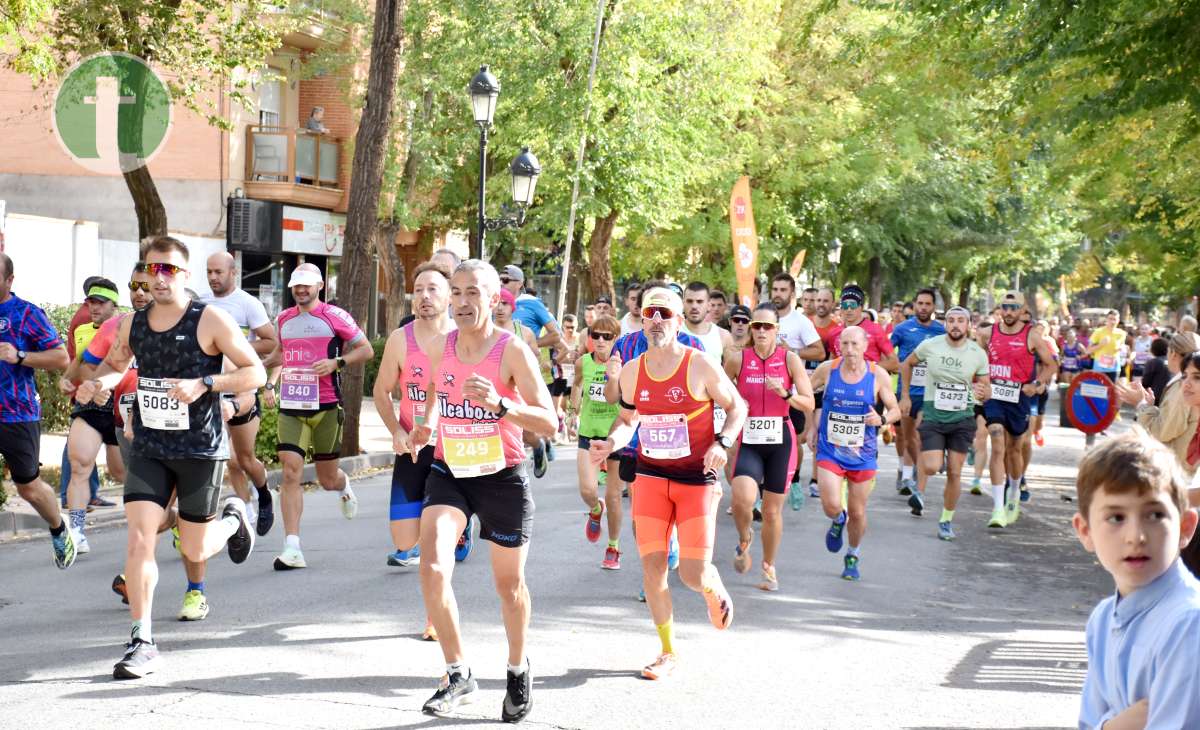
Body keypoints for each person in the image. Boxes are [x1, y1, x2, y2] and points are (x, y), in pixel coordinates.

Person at [75, 236, 264, 678]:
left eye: (168, 270)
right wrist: (100, 383)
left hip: (200, 448)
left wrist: (206, 384)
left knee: (195, 545)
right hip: (150, 446)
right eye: (151, 268)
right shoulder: (132, 324)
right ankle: (142, 641)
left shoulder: (210, 319)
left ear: (185, 275)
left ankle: (235, 519)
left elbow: (253, 370)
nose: (158, 278)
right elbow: (117, 364)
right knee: (140, 537)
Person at [403, 260, 556, 722]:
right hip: (450, 471)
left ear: (494, 300)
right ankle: (457, 673)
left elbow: (550, 420)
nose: (464, 301)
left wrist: (501, 404)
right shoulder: (443, 344)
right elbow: (434, 390)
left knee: (509, 588)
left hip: (501, 476)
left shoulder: (511, 351)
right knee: (431, 564)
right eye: (458, 292)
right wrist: (426, 425)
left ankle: (516, 667)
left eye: (475, 293)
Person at [589, 286, 746, 681]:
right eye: (649, 314)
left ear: (678, 321)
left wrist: (723, 443)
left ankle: (710, 584)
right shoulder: (631, 370)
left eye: (664, 314)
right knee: (653, 569)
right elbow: (628, 422)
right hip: (652, 476)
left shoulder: (699, 364)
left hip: (696, 477)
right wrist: (611, 442)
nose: (656, 320)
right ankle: (667, 651)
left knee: (691, 574)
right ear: (642, 321)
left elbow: (736, 407)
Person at [1073, 429, 1200, 729]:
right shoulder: (1102, 620)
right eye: (1116, 518)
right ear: (1085, 531)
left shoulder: (1188, 624)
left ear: (1186, 526)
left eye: (1155, 515)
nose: (1136, 537)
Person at [264, 263, 373, 571]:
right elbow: (280, 354)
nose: (301, 290)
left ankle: (343, 485)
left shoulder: (334, 316)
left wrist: (337, 362)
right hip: (293, 405)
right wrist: (256, 367)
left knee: (327, 479)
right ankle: (292, 547)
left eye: (307, 285)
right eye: (297, 285)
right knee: (290, 471)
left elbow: (365, 350)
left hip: (326, 406)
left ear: (320, 286)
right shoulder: (284, 318)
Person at [725, 303, 814, 590]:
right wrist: (737, 404)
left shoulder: (790, 360)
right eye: (757, 326)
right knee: (742, 499)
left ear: (777, 330)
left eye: (767, 326)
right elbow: (720, 394)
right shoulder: (738, 359)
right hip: (749, 440)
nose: (761, 331)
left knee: (773, 512)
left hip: (781, 442)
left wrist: (786, 394)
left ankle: (768, 567)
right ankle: (743, 537)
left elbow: (809, 402)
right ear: (751, 329)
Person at [0, 253, 75, 567]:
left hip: (16, 414)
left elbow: (61, 359)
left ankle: (58, 528)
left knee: (28, 486)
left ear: (9, 280)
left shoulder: (26, 314)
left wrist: (18, 355)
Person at [808, 326, 901, 581]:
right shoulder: (828, 370)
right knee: (830, 504)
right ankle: (838, 519)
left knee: (858, 512)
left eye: (854, 345)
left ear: (865, 346)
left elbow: (896, 410)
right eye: (844, 344)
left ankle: (853, 554)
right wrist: (812, 427)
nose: (849, 350)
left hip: (863, 454)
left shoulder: (877, 374)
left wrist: (880, 418)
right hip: (831, 450)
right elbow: (806, 394)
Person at [203, 252, 277, 536]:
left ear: (233, 272)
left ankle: (264, 493)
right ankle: (245, 512)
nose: (213, 277)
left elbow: (271, 342)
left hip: (244, 389)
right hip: (213, 390)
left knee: (244, 458)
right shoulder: (201, 304)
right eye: (209, 272)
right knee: (228, 458)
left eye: (219, 272)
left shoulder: (248, 303)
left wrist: (237, 348)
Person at [899, 307, 990, 538]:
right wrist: (906, 395)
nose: (955, 325)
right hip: (934, 414)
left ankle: (946, 520)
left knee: (955, 473)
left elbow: (985, 389)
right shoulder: (931, 345)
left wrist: (983, 392)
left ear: (968, 325)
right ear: (945, 324)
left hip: (962, 417)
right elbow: (907, 364)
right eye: (951, 320)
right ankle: (933, 465)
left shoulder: (978, 353)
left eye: (961, 320)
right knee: (931, 466)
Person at [977, 291, 1057, 528]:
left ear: (1023, 311)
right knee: (998, 443)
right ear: (999, 309)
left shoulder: (1031, 336)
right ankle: (997, 508)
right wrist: (977, 384)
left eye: (1014, 308)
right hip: (994, 397)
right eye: (1005, 307)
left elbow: (1051, 364)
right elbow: (977, 363)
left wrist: (1038, 384)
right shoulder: (987, 334)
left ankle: (1013, 495)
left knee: (1014, 450)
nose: (1009, 312)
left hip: (1019, 398)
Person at [58, 278, 124, 551]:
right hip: (90, 406)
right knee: (80, 465)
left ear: (114, 305)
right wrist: (66, 379)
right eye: (91, 303)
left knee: (124, 474)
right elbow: (80, 362)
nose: (94, 308)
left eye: (101, 303)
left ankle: (170, 518)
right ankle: (76, 531)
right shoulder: (83, 329)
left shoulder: (127, 327)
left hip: (121, 407)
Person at [570, 314, 624, 568]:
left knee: (614, 496)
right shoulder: (583, 362)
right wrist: (573, 409)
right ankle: (594, 509)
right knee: (588, 490)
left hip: (615, 436)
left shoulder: (625, 365)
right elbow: (577, 383)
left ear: (616, 338)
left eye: (607, 336)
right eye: (595, 335)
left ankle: (613, 547)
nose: (600, 341)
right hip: (589, 433)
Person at [501, 264, 561, 476]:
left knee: (526, 434)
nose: (503, 283)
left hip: (523, 380)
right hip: (497, 380)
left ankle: (538, 446)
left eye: (507, 280)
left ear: (520, 284)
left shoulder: (531, 304)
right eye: (500, 279)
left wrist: (527, 348)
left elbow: (556, 335)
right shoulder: (489, 309)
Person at [889, 289, 945, 498]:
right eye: (920, 303)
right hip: (906, 391)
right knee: (906, 435)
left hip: (929, 393)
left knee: (919, 436)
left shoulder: (941, 331)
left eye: (927, 304)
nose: (923, 307)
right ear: (914, 305)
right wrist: (894, 365)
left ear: (933, 307)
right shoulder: (903, 329)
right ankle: (905, 469)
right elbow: (888, 351)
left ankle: (912, 479)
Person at [1117, 332, 1200, 471]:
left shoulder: (1183, 386)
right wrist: (1150, 408)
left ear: (1173, 353)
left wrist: (1141, 404)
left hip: (1180, 471)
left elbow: (1163, 432)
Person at [1086, 310, 1126, 383]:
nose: (1112, 322)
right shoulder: (1098, 332)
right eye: (1110, 319)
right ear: (1106, 319)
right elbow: (1088, 351)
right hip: (1099, 367)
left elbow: (1121, 347)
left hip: (1114, 367)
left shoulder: (1122, 333)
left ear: (1118, 320)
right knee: (1099, 390)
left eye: (1114, 319)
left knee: (1112, 391)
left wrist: (1121, 348)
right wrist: (1100, 345)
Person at [1139, 337, 1171, 403]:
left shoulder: (1153, 362)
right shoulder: (1171, 361)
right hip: (1170, 396)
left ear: (1153, 349)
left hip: (1155, 396)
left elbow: (1146, 382)